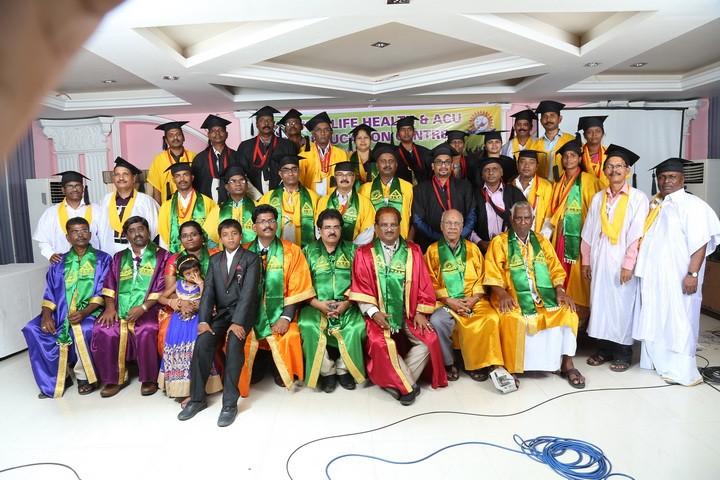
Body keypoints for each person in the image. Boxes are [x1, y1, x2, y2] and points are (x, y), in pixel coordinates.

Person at [633, 158, 720, 386]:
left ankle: (683, 372)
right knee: (657, 317)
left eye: (671, 177)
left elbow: (700, 243)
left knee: (680, 320)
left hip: (680, 277)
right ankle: (660, 363)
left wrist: (692, 274)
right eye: (662, 177)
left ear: (683, 178)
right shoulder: (657, 204)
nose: (666, 181)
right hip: (657, 277)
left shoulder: (693, 205)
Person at [349, 207, 448, 405]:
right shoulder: (364, 253)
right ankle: (408, 386)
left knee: (429, 339)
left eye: (393, 225)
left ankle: (395, 382)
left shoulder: (413, 251)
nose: (389, 229)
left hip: (408, 312)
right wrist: (373, 312)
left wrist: (420, 312)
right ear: (376, 228)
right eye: (384, 225)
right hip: (379, 314)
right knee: (380, 343)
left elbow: (424, 284)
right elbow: (361, 288)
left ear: (399, 226)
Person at [484, 202, 584, 389]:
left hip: (542, 296)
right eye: (519, 218)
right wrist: (502, 293)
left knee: (568, 312)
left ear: (532, 220)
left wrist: (560, 290)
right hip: (512, 295)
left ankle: (567, 363)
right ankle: (511, 367)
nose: (523, 222)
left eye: (526, 218)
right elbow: (492, 273)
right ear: (512, 219)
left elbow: (555, 270)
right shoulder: (499, 242)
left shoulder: (542, 241)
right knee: (513, 317)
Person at [177, 219, 261, 427]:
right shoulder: (215, 260)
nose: (230, 238)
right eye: (225, 234)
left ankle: (230, 404)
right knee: (203, 342)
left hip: (242, 314)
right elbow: (208, 292)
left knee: (234, 345)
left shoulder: (251, 259)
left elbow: (249, 293)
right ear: (220, 238)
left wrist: (238, 322)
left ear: (241, 236)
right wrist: (204, 320)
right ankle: (197, 399)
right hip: (221, 314)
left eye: (234, 233)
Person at [22, 217, 112, 398]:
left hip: (91, 311)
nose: (80, 235)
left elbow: (102, 291)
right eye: (75, 232)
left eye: (84, 230)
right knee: (33, 328)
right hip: (60, 312)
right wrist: (47, 316)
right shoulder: (58, 262)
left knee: (84, 329)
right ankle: (58, 377)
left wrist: (84, 312)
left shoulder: (103, 259)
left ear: (90, 234)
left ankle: (84, 377)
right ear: (67, 237)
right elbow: (49, 293)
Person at [581, 145, 647, 372]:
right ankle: (604, 349)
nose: (614, 170)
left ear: (627, 170)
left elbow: (637, 234)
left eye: (619, 166)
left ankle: (623, 352)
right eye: (610, 166)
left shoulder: (638, 198)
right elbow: (588, 231)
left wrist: (628, 264)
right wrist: (586, 261)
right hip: (600, 259)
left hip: (622, 259)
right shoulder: (599, 197)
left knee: (621, 305)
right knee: (601, 304)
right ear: (605, 171)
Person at [238, 205, 316, 397]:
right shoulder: (243, 252)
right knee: (242, 337)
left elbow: (297, 288)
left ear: (277, 224)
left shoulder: (292, 251)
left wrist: (286, 317)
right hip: (250, 315)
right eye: (262, 221)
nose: (268, 225)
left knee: (290, 334)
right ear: (254, 227)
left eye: (271, 221)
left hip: (281, 312)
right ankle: (259, 362)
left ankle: (279, 366)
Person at [92, 216, 170, 397]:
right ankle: (113, 379)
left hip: (151, 307)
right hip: (120, 307)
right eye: (132, 231)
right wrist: (110, 308)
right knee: (104, 328)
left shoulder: (162, 256)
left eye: (141, 229)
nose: (137, 234)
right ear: (126, 236)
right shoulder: (119, 258)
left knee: (147, 328)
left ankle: (149, 378)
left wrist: (143, 308)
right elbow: (109, 284)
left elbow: (161, 287)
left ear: (148, 231)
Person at [425, 209, 504, 383]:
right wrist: (448, 300)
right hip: (446, 302)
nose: (452, 227)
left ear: (462, 228)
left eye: (456, 224)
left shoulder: (473, 249)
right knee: (437, 321)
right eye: (448, 223)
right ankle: (449, 363)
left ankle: (478, 364)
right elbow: (429, 282)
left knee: (490, 318)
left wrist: (474, 298)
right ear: (441, 226)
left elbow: (483, 277)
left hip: (473, 300)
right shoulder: (432, 251)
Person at [298, 209, 366, 392]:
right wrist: (317, 304)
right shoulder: (307, 252)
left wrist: (347, 303)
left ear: (341, 229)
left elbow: (361, 281)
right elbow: (301, 284)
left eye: (336, 227)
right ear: (319, 230)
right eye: (327, 227)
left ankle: (344, 369)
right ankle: (327, 371)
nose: (332, 231)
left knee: (358, 326)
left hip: (347, 304)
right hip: (316, 305)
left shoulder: (354, 251)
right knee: (307, 325)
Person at [158, 254, 222, 402]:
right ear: (181, 274)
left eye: (195, 271)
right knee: (177, 350)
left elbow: (208, 299)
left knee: (194, 350)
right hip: (178, 323)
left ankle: (196, 388)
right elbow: (161, 297)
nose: (193, 275)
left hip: (196, 321)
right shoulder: (178, 284)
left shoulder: (204, 283)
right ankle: (178, 387)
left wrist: (201, 284)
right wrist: (175, 303)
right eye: (188, 273)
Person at [548, 139, 599, 313]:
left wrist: (580, 228)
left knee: (579, 273)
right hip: (560, 235)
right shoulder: (558, 181)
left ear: (579, 158)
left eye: (573, 155)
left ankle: (581, 308)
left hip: (580, 234)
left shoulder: (589, 180)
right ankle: (563, 303)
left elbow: (596, 211)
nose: (569, 159)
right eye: (566, 156)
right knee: (561, 269)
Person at [156, 220, 218, 359]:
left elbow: (223, 287)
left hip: (212, 304)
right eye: (184, 236)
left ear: (202, 236)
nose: (189, 238)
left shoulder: (215, 254)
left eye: (193, 234)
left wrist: (200, 305)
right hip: (181, 305)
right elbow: (170, 292)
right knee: (167, 330)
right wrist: (182, 304)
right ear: (180, 239)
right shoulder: (174, 260)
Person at [412, 143, 476, 250]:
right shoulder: (420, 189)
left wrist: (457, 237)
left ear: (452, 166)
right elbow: (418, 221)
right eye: (439, 162)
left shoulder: (465, 186)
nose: (443, 166)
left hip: (460, 245)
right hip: (430, 246)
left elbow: (472, 216)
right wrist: (441, 239)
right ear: (433, 166)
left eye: (447, 162)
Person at [33, 170, 102, 263]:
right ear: (63, 190)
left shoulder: (97, 210)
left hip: (93, 262)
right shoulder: (51, 213)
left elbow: (104, 237)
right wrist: (50, 254)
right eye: (70, 186)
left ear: (83, 188)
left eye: (78, 185)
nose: (74, 189)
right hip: (63, 263)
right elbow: (42, 239)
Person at [98, 157, 159, 255]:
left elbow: (154, 230)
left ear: (133, 178)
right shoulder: (105, 200)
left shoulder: (146, 201)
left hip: (138, 254)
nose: (121, 178)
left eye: (125, 174)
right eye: (117, 174)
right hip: (109, 252)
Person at [235, 106, 298, 199]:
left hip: (282, 196)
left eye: (269, 120)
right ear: (257, 124)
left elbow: (292, 171)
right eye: (262, 120)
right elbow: (241, 174)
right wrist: (257, 197)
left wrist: (278, 194)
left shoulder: (287, 145)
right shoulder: (245, 146)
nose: (266, 123)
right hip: (253, 196)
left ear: (274, 123)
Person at [258, 154, 319, 248]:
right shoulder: (268, 197)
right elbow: (259, 226)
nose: (290, 173)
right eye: (286, 170)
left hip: (304, 250)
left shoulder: (313, 197)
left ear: (299, 172)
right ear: (280, 173)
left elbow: (319, 229)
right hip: (276, 250)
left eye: (294, 169)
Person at [157, 162, 217, 253]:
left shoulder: (207, 203)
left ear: (192, 177)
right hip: (175, 255)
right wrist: (167, 258)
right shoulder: (166, 207)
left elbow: (212, 234)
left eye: (185, 175)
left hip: (203, 254)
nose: (182, 179)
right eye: (178, 176)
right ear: (173, 180)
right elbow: (163, 238)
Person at [359, 142, 414, 239]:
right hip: (373, 243)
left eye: (391, 161)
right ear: (377, 165)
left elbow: (414, 218)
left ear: (396, 165)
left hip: (402, 242)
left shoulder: (408, 187)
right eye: (383, 161)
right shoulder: (365, 189)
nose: (387, 164)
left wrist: (410, 239)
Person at [472, 157, 526, 253]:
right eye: (486, 170)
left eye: (494, 169)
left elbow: (524, 219)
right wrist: (479, 242)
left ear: (501, 172)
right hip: (483, 248)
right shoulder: (474, 195)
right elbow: (468, 222)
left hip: (511, 247)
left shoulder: (514, 193)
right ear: (482, 175)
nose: (491, 172)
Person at [316, 162, 375, 245]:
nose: (344, 178)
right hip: (328, 249)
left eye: (349, 174)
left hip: (354, 250)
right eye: (340, 174)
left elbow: (368, 231)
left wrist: (351, 248)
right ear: (335, 177)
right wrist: (329, 245)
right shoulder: (323, 201)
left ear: (354, 177)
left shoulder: (365, 203)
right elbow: (318, 228)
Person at [203, 166, 256, 247]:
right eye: (233, 181)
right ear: (227, 187)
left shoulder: (257, 208)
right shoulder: (218, 210)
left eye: (242, 180)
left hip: (253, 252)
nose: (238, 184)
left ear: (247, 185)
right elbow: (210, 239)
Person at [298, 111, 349, 196]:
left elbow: (346, 178)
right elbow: (300, 182)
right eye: (319, 130)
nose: (323, 133)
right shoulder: (304, 155)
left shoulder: (341, 154)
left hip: (334, 197)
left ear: (331, 133)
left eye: (326, 129)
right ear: (313, 134)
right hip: (310, 198)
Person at [191, 114, 238, 203]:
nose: (217, 133)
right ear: (208, 135)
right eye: (213, 131)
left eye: (220, 130)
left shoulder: (236, 156)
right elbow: (195, 185)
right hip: (207, 204)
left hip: (232, 204)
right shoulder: (200, 159)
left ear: (227, 134)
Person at [147, 121, 195, 204]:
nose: (175, 138)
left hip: (192, 203)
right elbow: (156, 189)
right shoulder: (158, 159)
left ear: (183, 138)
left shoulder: (194, 157)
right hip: (168, 205)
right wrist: (159, 209)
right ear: (166, 140)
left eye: (178, 134)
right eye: (171, 135)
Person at [511, 150, 554, 235]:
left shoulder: (546, 186)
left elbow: (549, 218)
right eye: (523, 162)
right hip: (512, 237)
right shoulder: (510, 185)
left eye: (531, 162)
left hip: (538, 236)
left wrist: (541, 239)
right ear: (517, 165)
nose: (527, 166)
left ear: (537, 166)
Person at [530, 101, 576, 180]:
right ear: (541, 121)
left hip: (565, 185)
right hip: (541, 186)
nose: (548, 119)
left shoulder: (571, 140)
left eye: (552, 115)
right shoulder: (534, 145)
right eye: (545, 116)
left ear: (560, 119)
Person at [394, 115, 431, 184]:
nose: (406, 132)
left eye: (409, 129)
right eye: (403, 130)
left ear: (414, 133)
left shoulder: (425, 152)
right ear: (398, 135)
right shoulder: (393, 154)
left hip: (422, 188)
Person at [577, 116, 610, 189]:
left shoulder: (610, 154)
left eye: (598, 131)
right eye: (589, 132)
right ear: (584, 135)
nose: (594, 134)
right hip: (583, 192)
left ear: (603, 134)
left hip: (606, 192)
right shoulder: (578, 154)